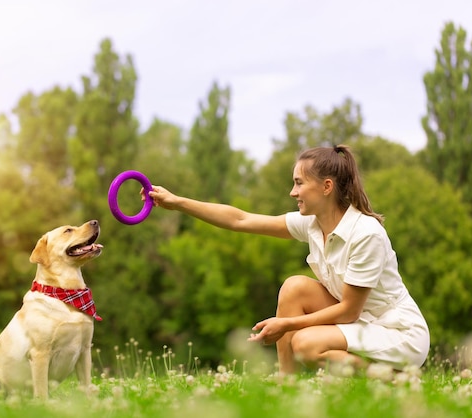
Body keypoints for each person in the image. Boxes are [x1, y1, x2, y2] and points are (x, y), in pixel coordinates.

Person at [142, 145, 429, 373]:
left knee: (305, 345)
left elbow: (349, 312)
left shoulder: (366, 234)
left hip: (397, 333)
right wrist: (177, 202)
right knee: (294, 287)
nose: (293, 192)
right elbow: (241, 219)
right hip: (362, 321)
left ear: (326, 187)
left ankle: (393, 380)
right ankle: (286, 383)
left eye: (299, 183)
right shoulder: (313, 224)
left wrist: (287, 325)